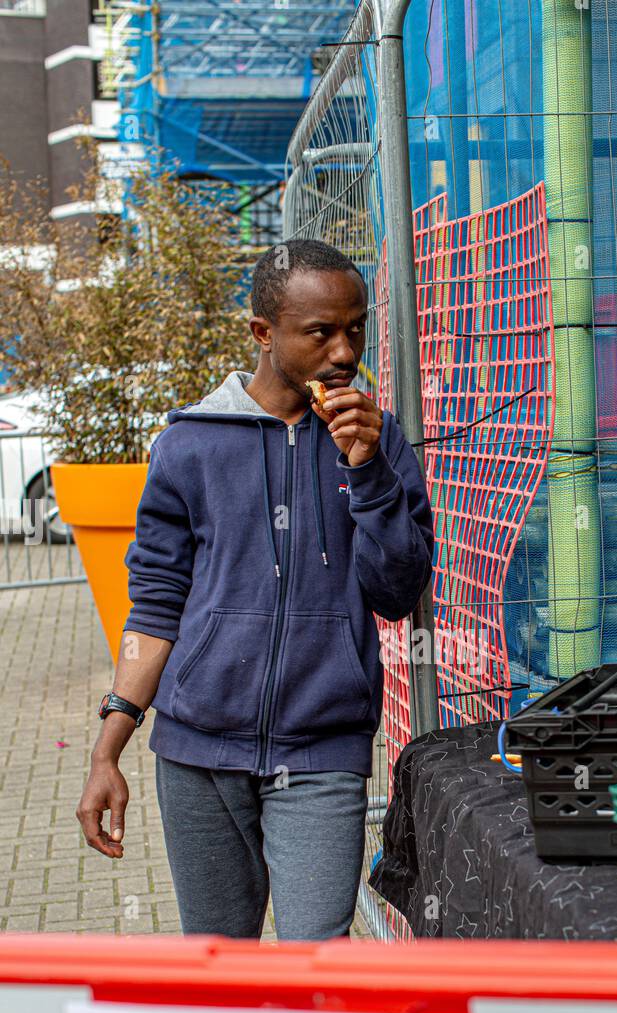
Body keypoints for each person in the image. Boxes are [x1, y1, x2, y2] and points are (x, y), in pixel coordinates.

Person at [76, 239, 435, 941]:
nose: (343, 351)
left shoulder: (379, 442)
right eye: (320, 332)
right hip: (196, 753)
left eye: (355, 327)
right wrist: (106, 748)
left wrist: (366, 473)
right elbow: (154, 602)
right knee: (219, 964)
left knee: (316, 964)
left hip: (322, 747)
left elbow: (397, 591)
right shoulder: (191, 445)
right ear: (263, 334)